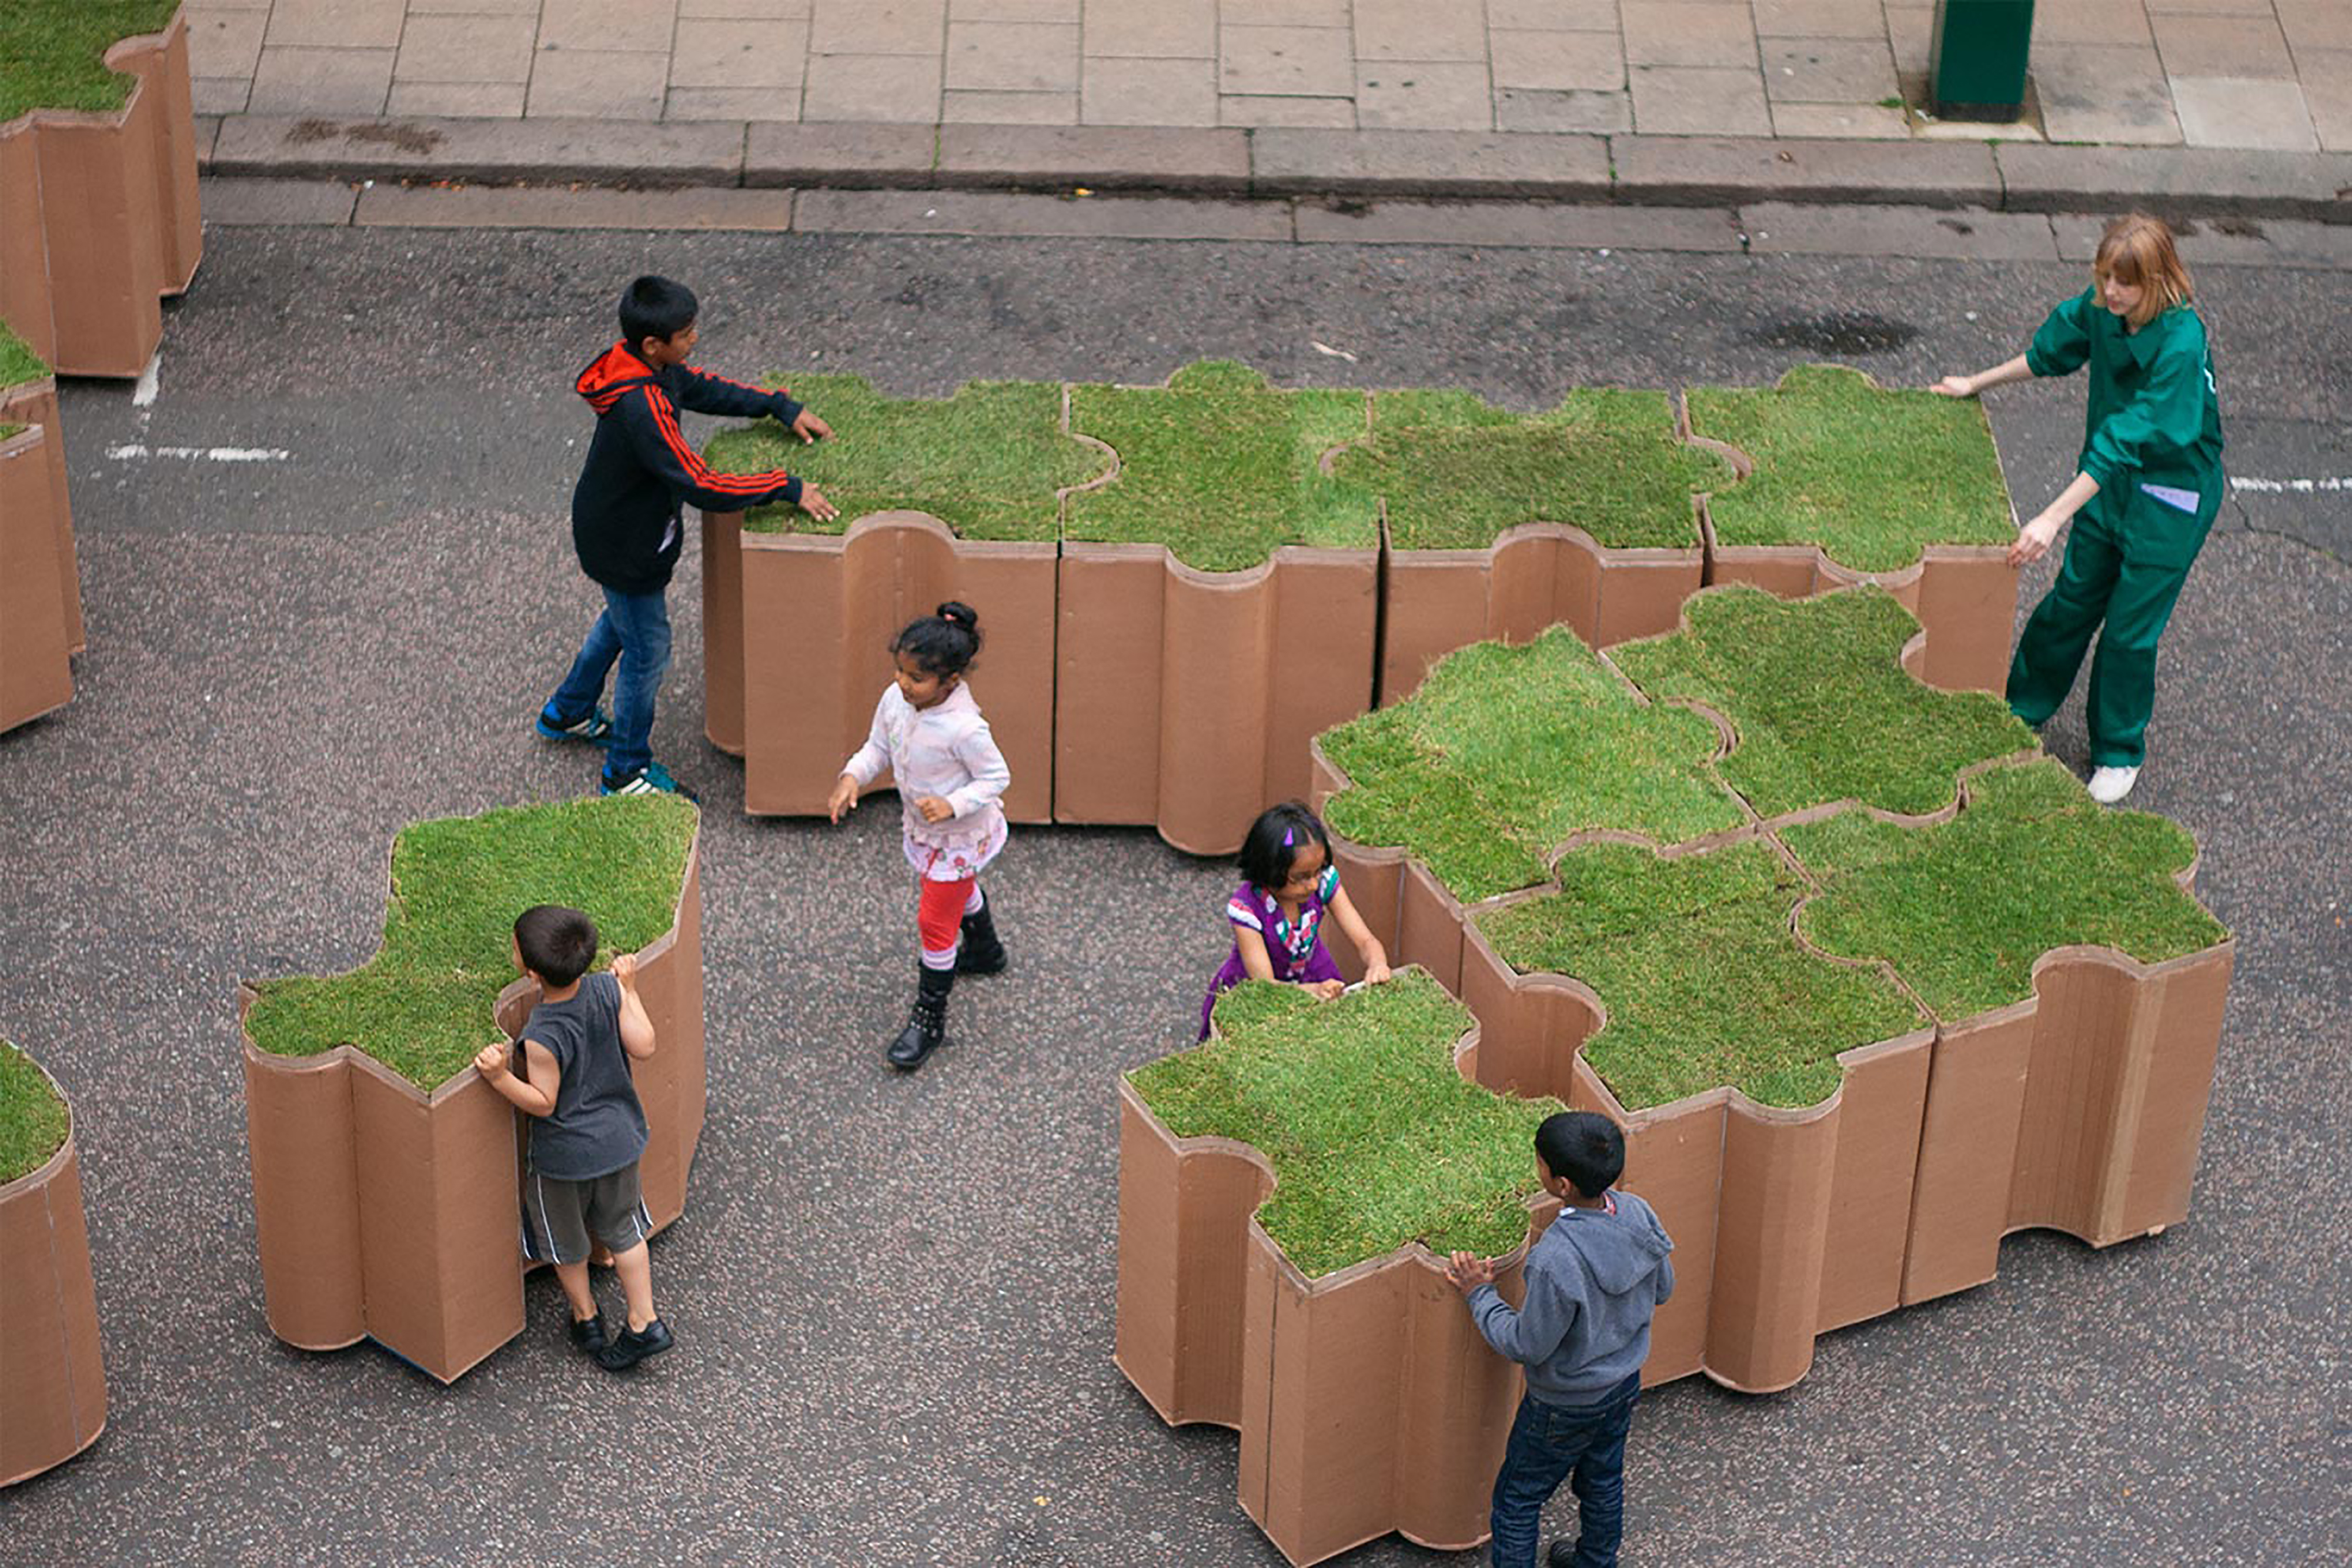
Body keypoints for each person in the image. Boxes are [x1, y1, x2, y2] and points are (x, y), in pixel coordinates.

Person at [1933, 212, 2224, 805]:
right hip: (2107, 487)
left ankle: (2118, 752)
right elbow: (2049, 353)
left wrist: (2050, 516)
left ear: (2159, 281)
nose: (2111, 292)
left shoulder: (2181, 341)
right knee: (2070, 603)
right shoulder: (2103, 308)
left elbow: (2127, 437)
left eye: (2126, 283)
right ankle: (2019, 711)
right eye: (2104, 278)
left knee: (2127, 632)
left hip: (2170, 500)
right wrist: (1975, 383)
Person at [539, 275, 841, 799]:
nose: (694, 340)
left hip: (615, 530)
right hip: (627, 545)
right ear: (655, 344)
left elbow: (704, 387)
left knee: (621, 622)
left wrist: (778, 405)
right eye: (686, 333)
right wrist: (784, 486)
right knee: (647, 650)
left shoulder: (650, 367)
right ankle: (626, 770)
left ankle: (569, 711)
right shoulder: (643, 407)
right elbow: (699, 482)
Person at [1445, 1111, 1675, 1568]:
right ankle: (1596, 1561)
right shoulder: (1638, 1211)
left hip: (1563, 1404)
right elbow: (1664, 1288)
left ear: (1562, 1184)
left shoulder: (1555, 1258)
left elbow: (1527, 1345)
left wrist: (1479, 1293)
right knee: (1603, 1477)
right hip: (1624, 1384)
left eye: (1540, 1163)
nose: (1538, 1168)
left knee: (1518, 1500)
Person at [473, 904, 674, 1372]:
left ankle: (585, 1317)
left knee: (565, 1242)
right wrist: (630, 989)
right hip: (621, 1141)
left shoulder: (542, 1032)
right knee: (624, 1230)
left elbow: (544, 1101)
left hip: (566, 1159)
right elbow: (644, 1045)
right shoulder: (608, 989)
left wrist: (500, 1076)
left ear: (530, 970)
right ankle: (645, 1320)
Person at [826, 602, 1010, 1071]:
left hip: (957, 837)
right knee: (953, 895)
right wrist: (852, 777)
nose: (903, 683)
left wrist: (954, 804)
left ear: (949, 681)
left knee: (934, 920)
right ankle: (986, 950)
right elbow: (877, 747)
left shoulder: (966, 728)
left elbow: (996, 778)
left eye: (916, 678)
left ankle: (930, 1017)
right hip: (927, 832)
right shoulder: (896, 700)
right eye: (900, 670)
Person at [1197, 801, 1391, 1040]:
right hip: (1263, 988)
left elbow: (1365, 940)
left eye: (1319, 871)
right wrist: (1311, 991)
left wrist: (1377, 963)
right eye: (1300, 878)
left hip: (1314, 971)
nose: (1313, 884)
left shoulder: (1324, 882)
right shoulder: (1246, 910)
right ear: (1269, 871)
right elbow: (1265, 987)